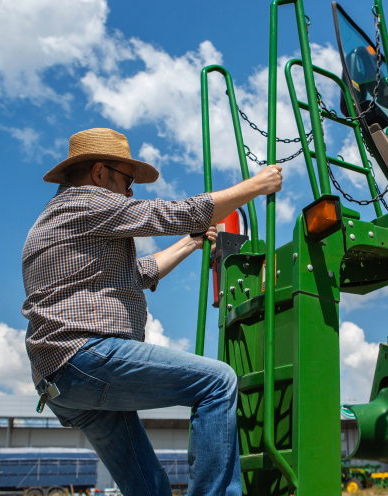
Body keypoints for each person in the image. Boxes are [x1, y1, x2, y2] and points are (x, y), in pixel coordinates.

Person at [21, 128, 282, 496]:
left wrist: (190, 243)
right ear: (99, 173)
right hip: (85, 356)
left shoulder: (53, 219)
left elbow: (140, 272)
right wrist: (256, 186)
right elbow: (173, 213)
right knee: (218, 381)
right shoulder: (86, 202)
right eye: (127, 180)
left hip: (60, 382)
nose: (130, 192)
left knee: (148, 487)